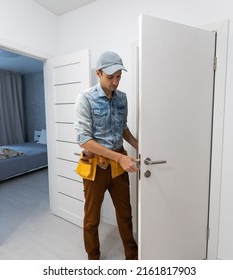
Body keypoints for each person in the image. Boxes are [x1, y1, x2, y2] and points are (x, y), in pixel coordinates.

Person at [74, 51, 139, 260]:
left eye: (119, 76)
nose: (115, 82)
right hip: (96, 165)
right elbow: (84, 139)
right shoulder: (85, 98)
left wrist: (138, 145)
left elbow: (123, 128)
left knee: (125, 215)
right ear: (98, 73)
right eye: (110, 77)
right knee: (92, 219)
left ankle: (133, 257)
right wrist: (119, 157)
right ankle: (93, 259)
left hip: (120, 164)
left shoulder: (122, 98)